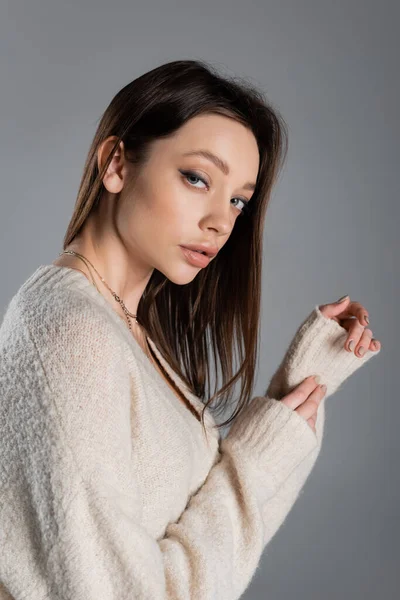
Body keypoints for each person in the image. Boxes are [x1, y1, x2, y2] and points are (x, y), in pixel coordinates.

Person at [0, 59, 382, 599]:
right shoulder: (71, 334)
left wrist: (290, 401)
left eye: (238, 201)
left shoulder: (125, 332)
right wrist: (253, 457)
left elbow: (209, 547)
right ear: (115, 164)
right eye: (197, 177)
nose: (221, 222)